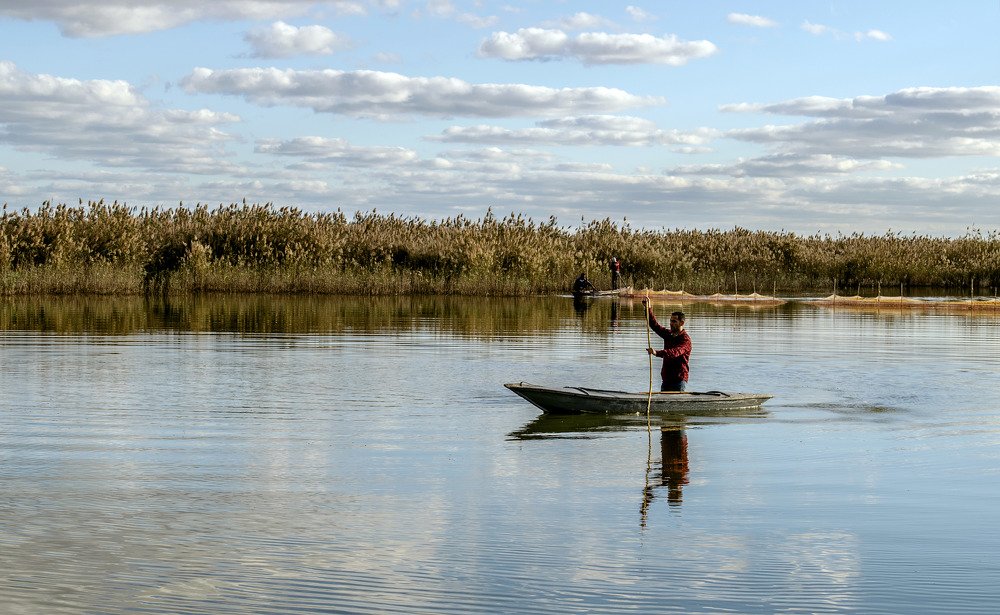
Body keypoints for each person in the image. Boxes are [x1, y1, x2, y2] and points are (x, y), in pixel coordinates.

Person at [642, 297, 691, 391]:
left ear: (682, 323)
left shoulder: (685, 340)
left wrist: (657, 353)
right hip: (666, 379)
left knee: (677, 405)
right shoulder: (669, 334)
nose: (671, 323)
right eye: (670, 321)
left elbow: (675, 352)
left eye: (674, 321)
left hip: (679, 380)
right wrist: (648, 308)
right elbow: (654, 325)